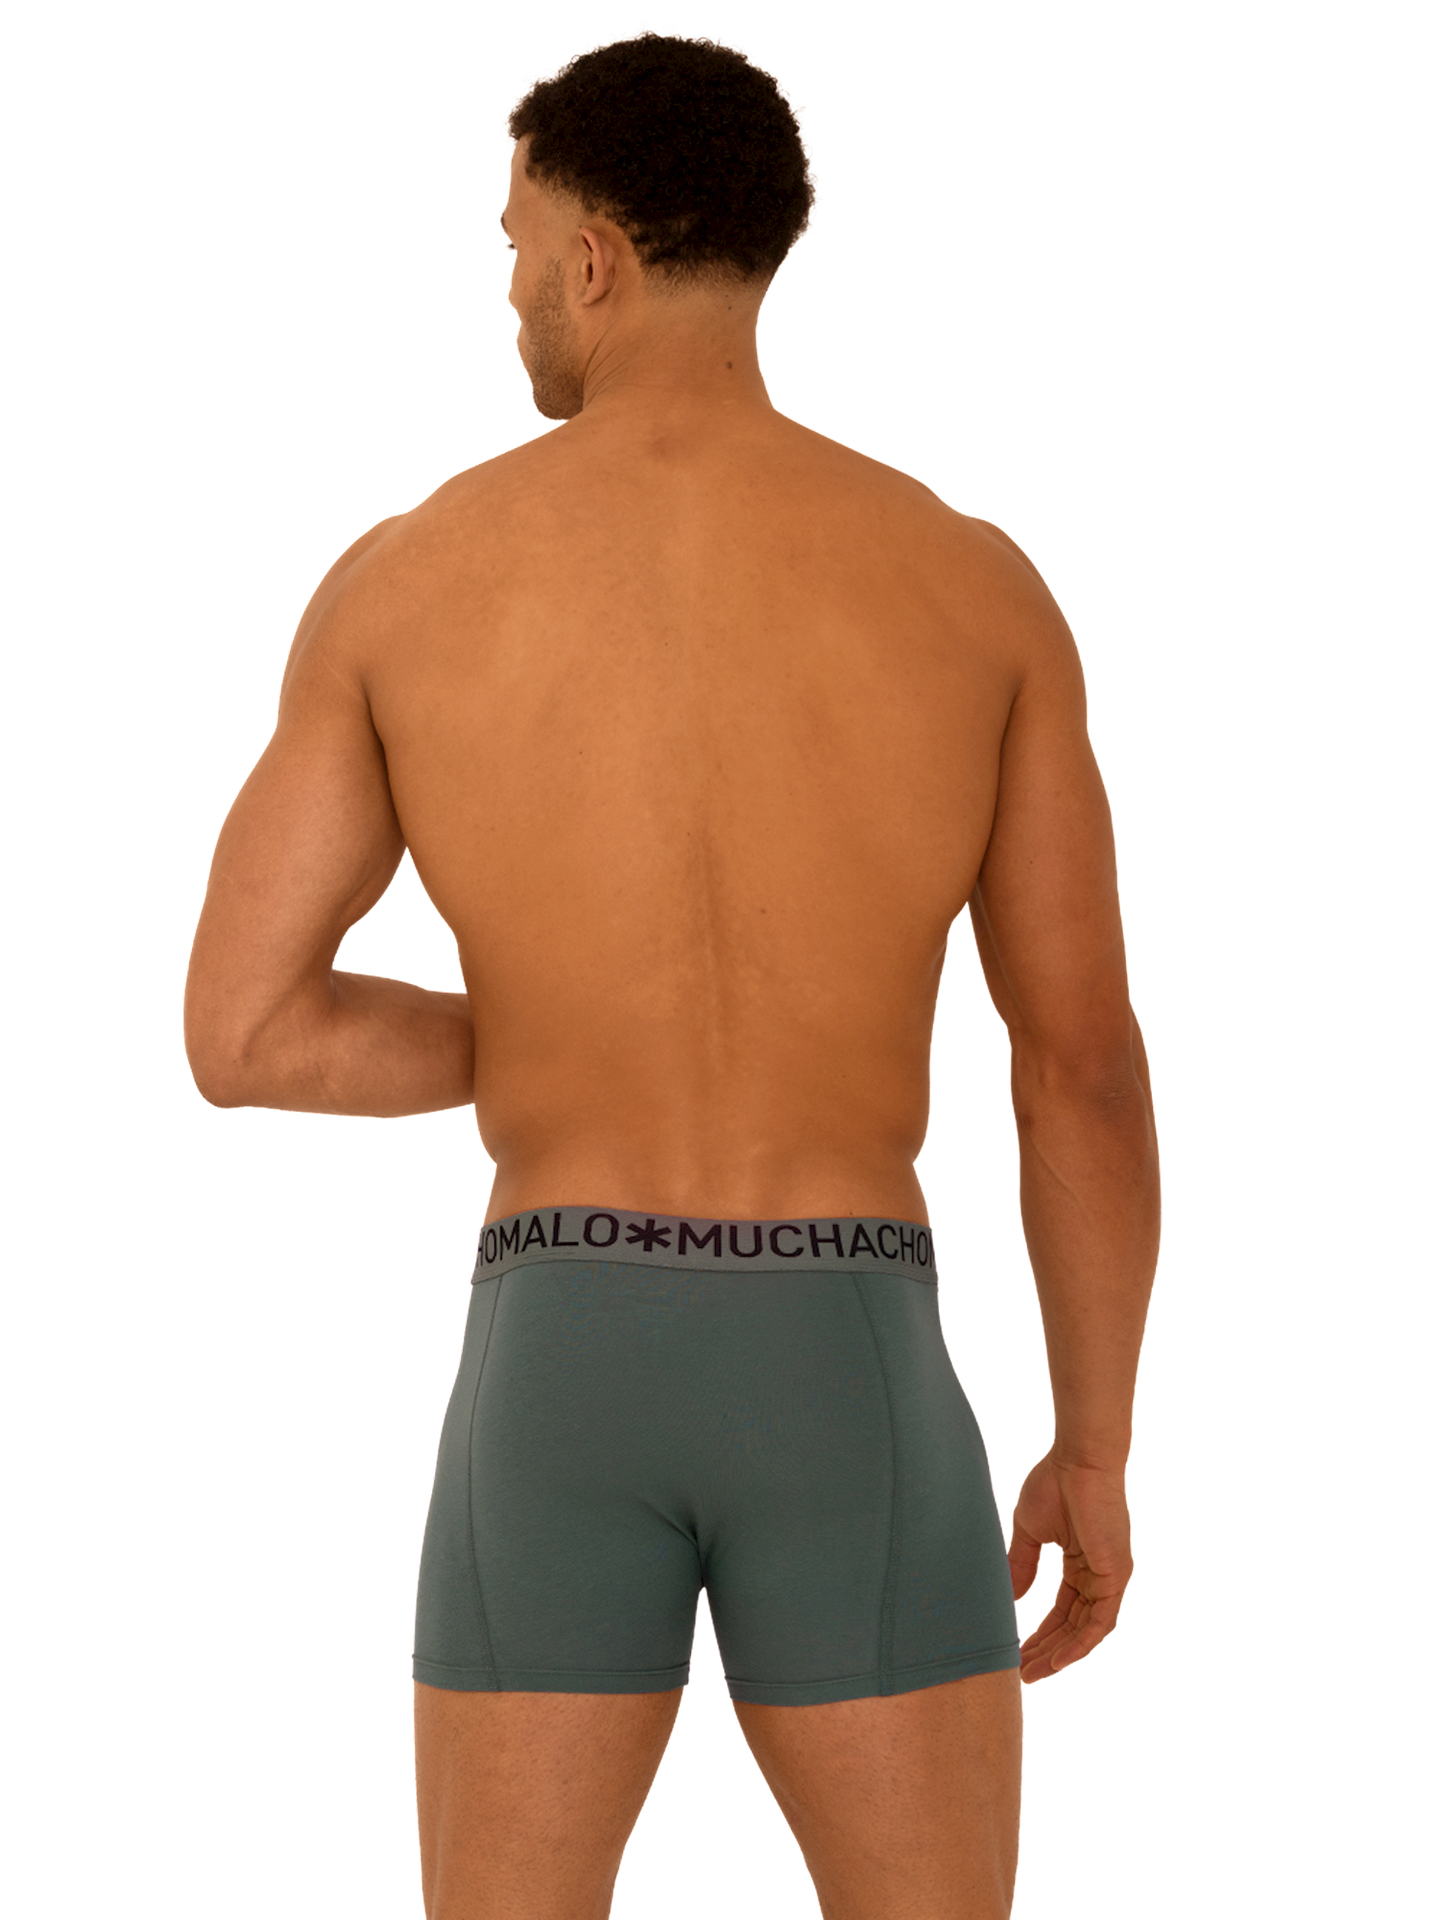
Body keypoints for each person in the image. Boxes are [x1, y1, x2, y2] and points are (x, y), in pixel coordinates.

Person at [181, 28, 1162, 1920]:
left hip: (560, 1343)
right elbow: (1080, 1068)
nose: (509, 293)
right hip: (851, 1352)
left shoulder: (408, 580)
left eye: (512, 249)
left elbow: (245, 1029)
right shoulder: (974, 586)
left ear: (595, 256)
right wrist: (1098, 1452)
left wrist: (532, 1033)